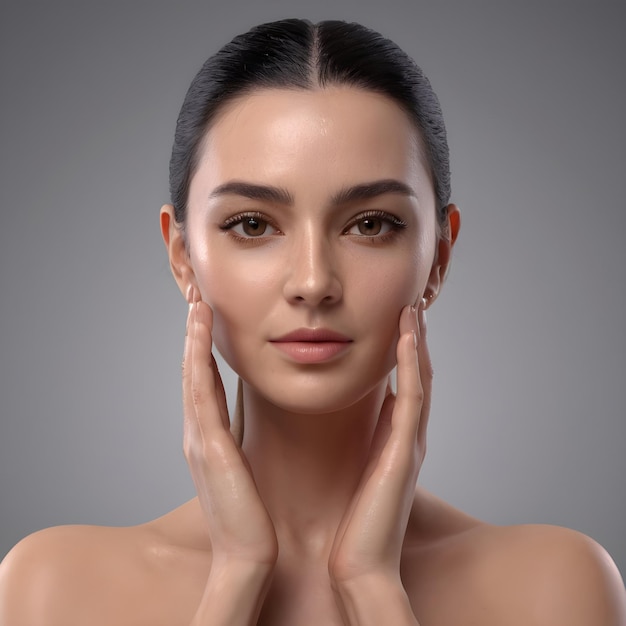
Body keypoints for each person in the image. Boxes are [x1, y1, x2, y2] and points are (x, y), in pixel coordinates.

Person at [0, 18, 624, 626]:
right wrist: (238, 575)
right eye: (252, 224)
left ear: (439, 255)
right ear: (182, 255)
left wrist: (371, 584)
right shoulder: (54, 584)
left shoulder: (555, 585)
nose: (312, 283)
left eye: (371, 224)